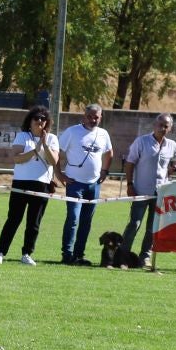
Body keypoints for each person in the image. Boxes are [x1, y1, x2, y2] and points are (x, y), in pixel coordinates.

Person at [0, 107, 59, 265]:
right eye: (36, 118)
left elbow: (53, 161)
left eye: (43, 119)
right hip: (21, 182)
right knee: (13, 219)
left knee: (34, 223)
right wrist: (35, 150)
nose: (40, 121)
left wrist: (45, 145)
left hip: (42, 185)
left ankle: (27, 253)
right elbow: (17, 158)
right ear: (30, 121)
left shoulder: (52, 138)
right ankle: (0, 252)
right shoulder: (22, 136)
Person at [55, 103, 112, 265]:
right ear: (84, 116)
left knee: (86, 221)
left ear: (100, 118)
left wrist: (105, 171)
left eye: (96, 117)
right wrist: (59, 174)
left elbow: (109, 153)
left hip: (94, 185)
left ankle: (79, 255)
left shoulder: (103, 134)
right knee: (73, 218)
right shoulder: (72, 132)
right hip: (74, 184)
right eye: (90, 116)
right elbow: (56, 152)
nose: (93, 119)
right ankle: (67, 254)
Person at [121, 113, 176, 268]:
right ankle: (123, 255)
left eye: (166, 126)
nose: (162, 128)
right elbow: (130, 162)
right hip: (140, 190)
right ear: (154, 125)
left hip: (160, 193)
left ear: (170, 128)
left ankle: (144, 257)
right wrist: (129, 184)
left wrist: (174, 167)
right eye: (160, 125)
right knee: (135, 223)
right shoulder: (142, 141)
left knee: (152, 228)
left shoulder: (173, 145)